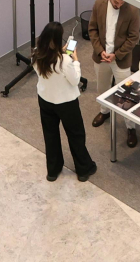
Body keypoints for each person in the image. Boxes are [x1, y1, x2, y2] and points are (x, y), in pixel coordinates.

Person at [32, 21, 96, 183]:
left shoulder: (36, 55)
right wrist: (76, 60)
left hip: (45, 100)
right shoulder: (65, 61)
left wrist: (60, 52)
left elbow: (49, 67)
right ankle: (83, 169)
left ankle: (53, 170)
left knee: (50, 135)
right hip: (66, 103)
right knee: (75, 135)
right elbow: (75, 81)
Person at [85, 0, 140, 148]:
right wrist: (100, 50)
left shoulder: (133, 9)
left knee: (127, 94)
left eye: (122, 2)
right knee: (102, 88)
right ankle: (105, 111)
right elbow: (92, 29)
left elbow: (133, 38)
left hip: (120, 58)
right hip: (102, 56)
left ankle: (131, 126)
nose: (119, 5)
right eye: (116, 2)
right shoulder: (99, 3)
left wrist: (116, 55)